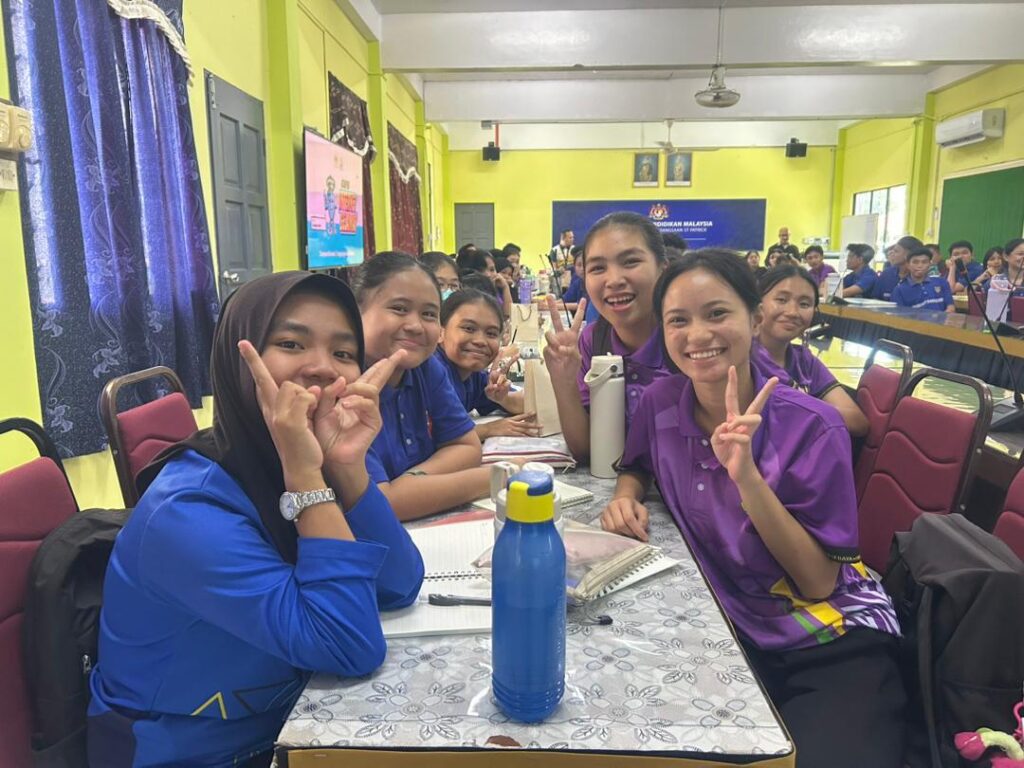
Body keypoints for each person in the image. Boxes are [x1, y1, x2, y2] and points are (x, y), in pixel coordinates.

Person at [86, 272, 424, 767]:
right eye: (291, 343)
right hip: (193, 753)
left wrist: (346, 468)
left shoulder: (283, 462)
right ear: (237, 363)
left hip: (284, 726)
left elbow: (399, 584)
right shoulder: (187, 513)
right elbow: (348, 645)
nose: (322, 368)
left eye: (343, 352)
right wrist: (306, 476)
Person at [600, 250, 905, 768]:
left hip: (828, 637)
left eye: (717, 313)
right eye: (678, 320)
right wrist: (624, 495)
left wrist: (747, 478)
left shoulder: (813, 425)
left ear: (755, 318)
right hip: (726, 628)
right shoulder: (660, 402)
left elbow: (818, 583)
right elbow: (637, 464)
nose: (697, 335)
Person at [355, 252, 495, 520]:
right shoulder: (345, 384)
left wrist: (412, 481)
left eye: (429, 314)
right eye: (399, 308)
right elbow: (382, 505)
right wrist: (495, 477)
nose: (416, 326)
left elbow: (467, 447)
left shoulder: (425, 367)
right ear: (355, 313)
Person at [544, 212, 673, 460]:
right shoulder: (593, 340)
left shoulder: (686, 339)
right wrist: (564, 382)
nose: (613, 280)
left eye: (630, 262)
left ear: (662, 269)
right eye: (598, 268)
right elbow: (586, 449)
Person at [754, 265, 868, 436]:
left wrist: (799, 407)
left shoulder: (804, 361)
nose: (793, 312)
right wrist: (815, 409)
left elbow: (857, 421)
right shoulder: (742, 359)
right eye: (782, 300)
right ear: (758, 305)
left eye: (804, 304)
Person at [436, 288, 538, 440]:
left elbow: (532, 406)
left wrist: (502, 398)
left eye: (491, 333)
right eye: (469, 328)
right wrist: (488, 429)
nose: (480, 341)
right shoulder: (432, 373)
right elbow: (434, 435)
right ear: (440, 332)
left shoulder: (475, 377)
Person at [892, 248, 955, 312]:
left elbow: (951, 308)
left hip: (943, 318)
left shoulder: (941, 282)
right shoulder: (899, 290)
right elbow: (900, 315)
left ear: (930, 264)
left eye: (924, 262)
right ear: (908, 265)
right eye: (915, 262)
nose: (920, 265)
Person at [872, 235, 921, 300]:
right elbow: (875, 298)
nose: (891, 254)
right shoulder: (887, 273)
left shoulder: (919, 276)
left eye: (896, 251)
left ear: (908, 254)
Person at [548, 229, 575, 293]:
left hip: (573, 282)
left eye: (573, 237)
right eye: (570, 238)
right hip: (560, 283)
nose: (573, 239)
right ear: (563, 238)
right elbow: (553, 269)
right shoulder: (554, 250)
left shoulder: (574, 249)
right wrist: (559, 271)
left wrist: (567, 267)